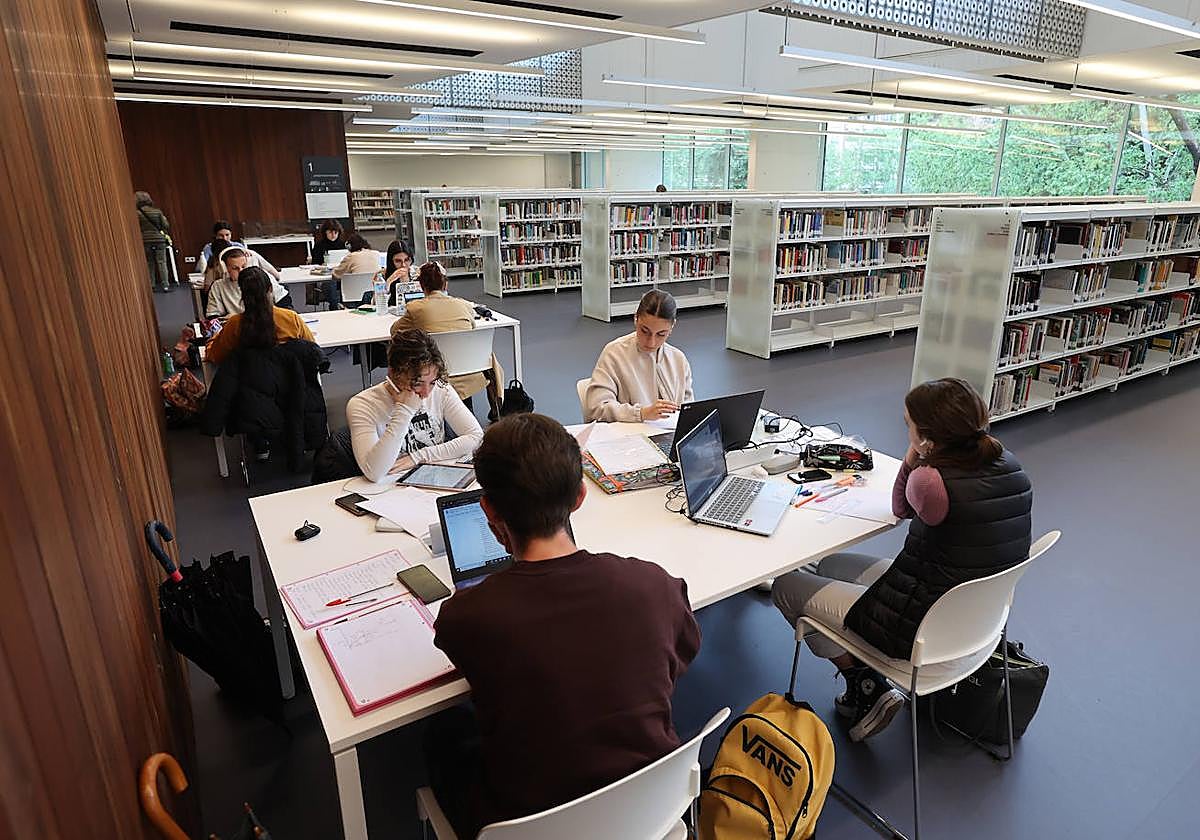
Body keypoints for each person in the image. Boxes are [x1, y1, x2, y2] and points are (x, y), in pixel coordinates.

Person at [429, 413, 701, 836]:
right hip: (651, 809)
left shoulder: (469, 614)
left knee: (443, 731)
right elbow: (681, 655)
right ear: (579, 497)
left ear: (487, 509)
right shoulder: (654, 585)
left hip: (524, 821)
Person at [771, 378, 1033, 742]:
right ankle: (864, 676)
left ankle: (864, 685)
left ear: (927, 435)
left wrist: (915, 456)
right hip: (972, 618)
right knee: (831, 565)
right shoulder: (1008, 462)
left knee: (786, 586)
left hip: (914, 628)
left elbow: (900, 506)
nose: (904, 427)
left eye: (908, 424)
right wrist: (924, 447)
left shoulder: (930, 481)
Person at [345, 328, 483, 483]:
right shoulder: (363, 405)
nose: (426, 393)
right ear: (393, 373)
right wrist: (404, 410)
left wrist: (418, 457)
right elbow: (374, 472)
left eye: (431, 382)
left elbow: (476, 437)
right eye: (417, 383)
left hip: (434, 478)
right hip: (389, 488)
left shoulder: (440, 389)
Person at [389, 261, 503, 412]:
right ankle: (497, 407)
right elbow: (472, 328)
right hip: (470, 369)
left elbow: (394, 331)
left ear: (422, 286)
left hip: (433, 373)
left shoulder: (416, 308)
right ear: (445, 285)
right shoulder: (464, 305)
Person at [584, 289, 694, 422]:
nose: (651, 342)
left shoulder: (679, 360)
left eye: (661, 334)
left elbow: (689, 410)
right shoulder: (614, 353)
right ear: (635, 318)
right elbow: (596, 409)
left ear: (672, 327)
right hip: (627, 436)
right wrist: (641, 413)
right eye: (644, 331)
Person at [204, 266, 314, 365]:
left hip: (250, 383)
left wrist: (214, 337)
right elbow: (312, 348)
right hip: (289, 383)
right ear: (270, 289)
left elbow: (215, 356)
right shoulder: (291, 318)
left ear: (242, 293)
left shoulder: (235, 324)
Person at [205, 245, 293, 318]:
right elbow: (212, 316)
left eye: (244, 266)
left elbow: (285, 304)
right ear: (225, 269)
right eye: (235, 268)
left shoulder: (263, 277)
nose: (241, 271)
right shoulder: (218, 287)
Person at [326, 233, 380, 309]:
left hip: (353, 299)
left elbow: (336, 275)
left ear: (350, 246)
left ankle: (334, 307)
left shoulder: (351, 256)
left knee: (329, 284)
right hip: (373, 296)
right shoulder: (376, 254)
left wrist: (334, 268)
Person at [135, 191, 172, 292]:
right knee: (162, 262)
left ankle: (152, 285)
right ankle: (165, 285)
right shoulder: (157, 211)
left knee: (149, 262)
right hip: (159, 240)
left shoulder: (137, 214)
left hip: (145, 240)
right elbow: (165, 225)